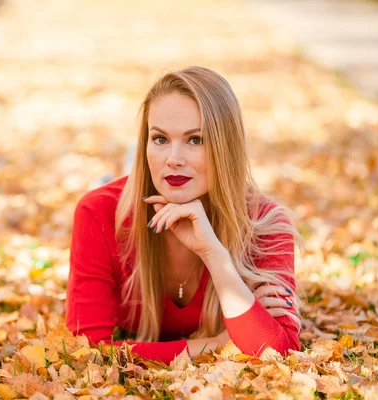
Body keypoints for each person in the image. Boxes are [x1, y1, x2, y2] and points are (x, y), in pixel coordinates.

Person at [65, 66, 302, 364]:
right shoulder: (98, 213)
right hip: (125, 195)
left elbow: (280, 349)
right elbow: (84, 351)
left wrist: (215, 254)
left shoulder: (265, 223)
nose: (174, 160)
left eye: (195, 140)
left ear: (225, 149)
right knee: (121, 186)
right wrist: (216, 344)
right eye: (160, 139)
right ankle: (123, 168)